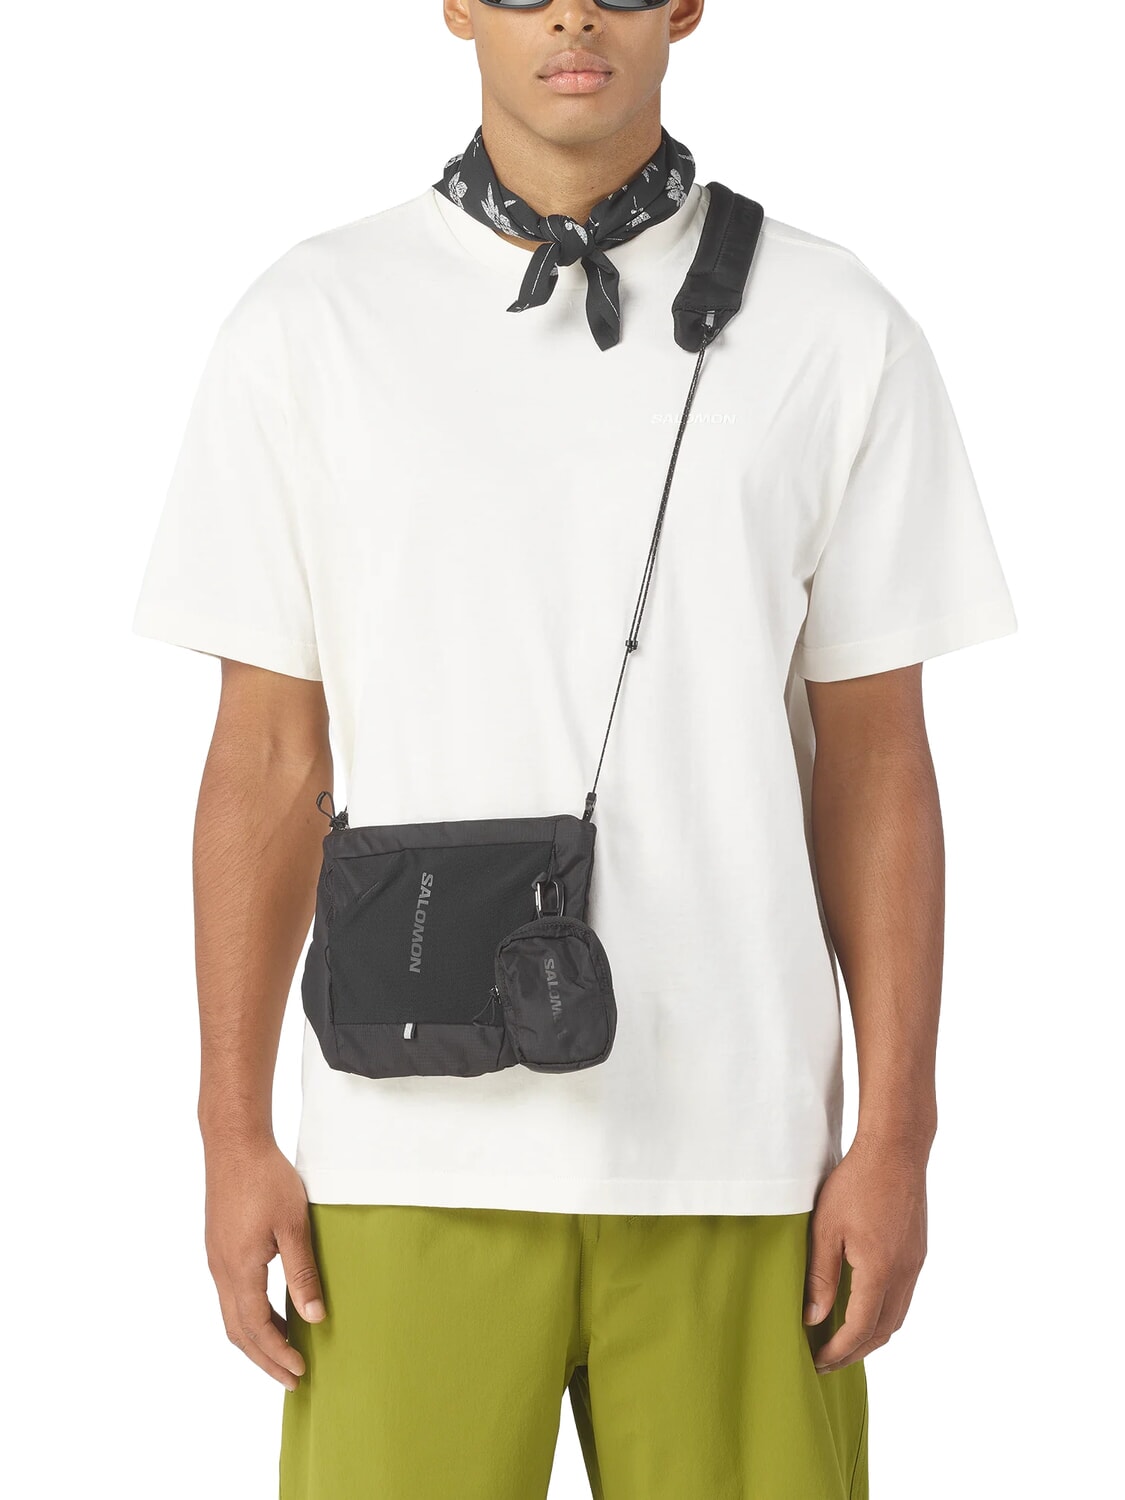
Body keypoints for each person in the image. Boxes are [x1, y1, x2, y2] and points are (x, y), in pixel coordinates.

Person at [131, 2, 1017, 1496]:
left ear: (685, 7)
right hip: (402, 1150)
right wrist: (230, 1133)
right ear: (454, 7)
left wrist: (898, 1136)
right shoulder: (311, 319)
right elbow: (266, 761)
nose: (570, 13)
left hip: (739, 1153)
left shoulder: (831, 322)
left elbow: (877, 766)